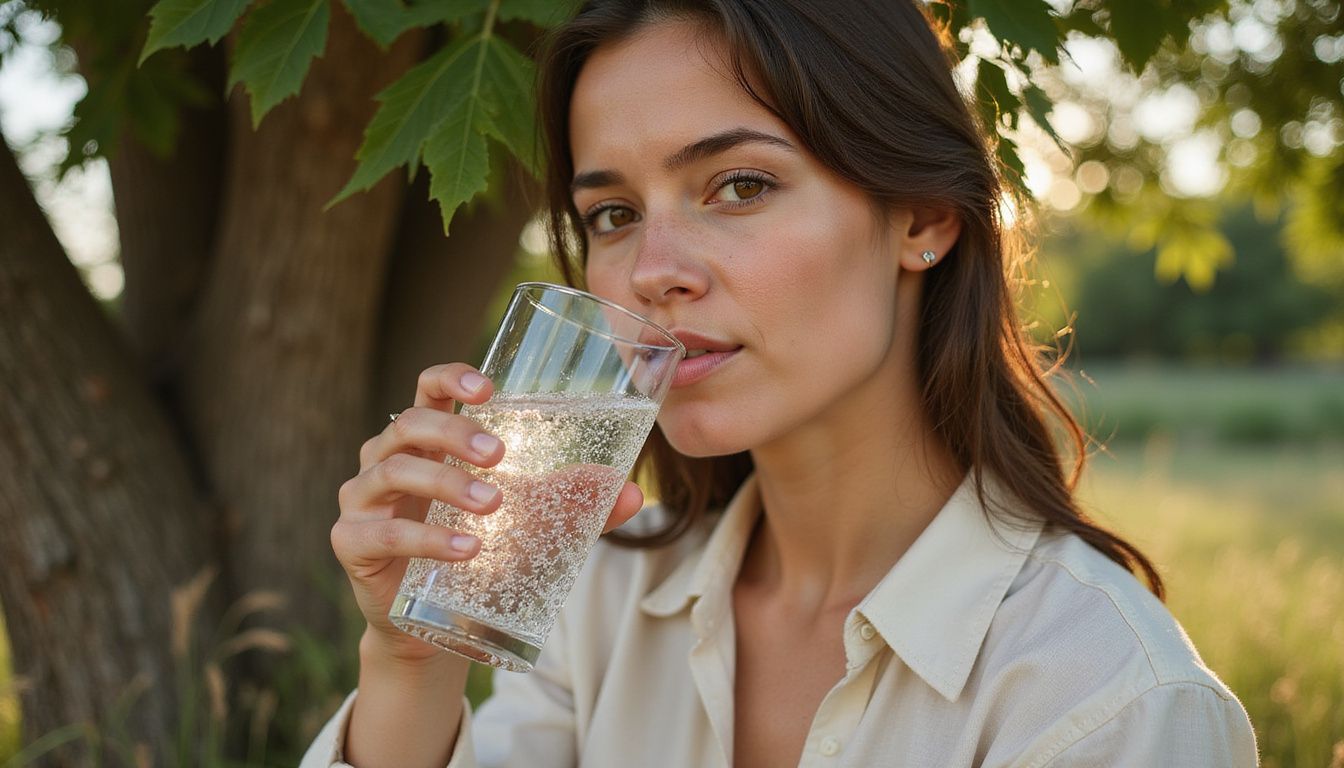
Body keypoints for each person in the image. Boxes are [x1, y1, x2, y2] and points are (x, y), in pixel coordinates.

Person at [303, 1, 1258, 766]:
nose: (652, 272)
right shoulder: (607, 594)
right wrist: (412, 664)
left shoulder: (1109, 701)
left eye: (740, 186)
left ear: (923, 216)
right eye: (614, 214)